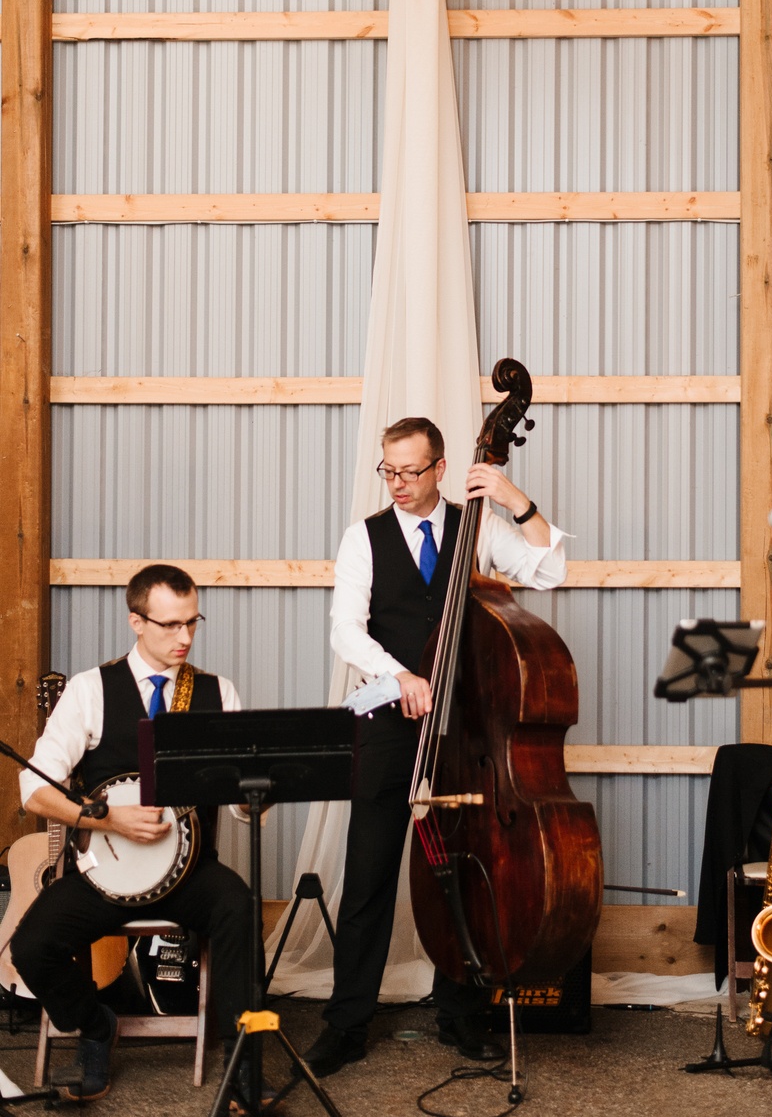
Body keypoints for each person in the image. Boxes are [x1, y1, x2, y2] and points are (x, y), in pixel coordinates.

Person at [304, 416, 568, 1078]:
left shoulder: (478, 527)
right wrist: (400, 675)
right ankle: (347, 1023)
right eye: (388, 470)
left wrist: (515, 499)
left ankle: (461, 1012)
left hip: (465, 727)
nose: (397, 483)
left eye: (410, 471)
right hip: (388, 720)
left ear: (441, 468)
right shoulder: (363, 537)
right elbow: (345, 628)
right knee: (367, 876)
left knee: (466, 869)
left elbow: (551, 570)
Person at [10, 564, 261, 1107]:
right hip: (105, 874)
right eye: (170, 624)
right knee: (30, 948)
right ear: (136, 621)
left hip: (189, 873)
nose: (184, 637)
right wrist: (105, 820)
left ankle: (244, 1066)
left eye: (192, 622)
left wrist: (250, 799)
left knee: (238, 907)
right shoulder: (90, 690)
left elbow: (246, 804)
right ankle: (95, 1024)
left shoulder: (217, 692)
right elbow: (33, 789)